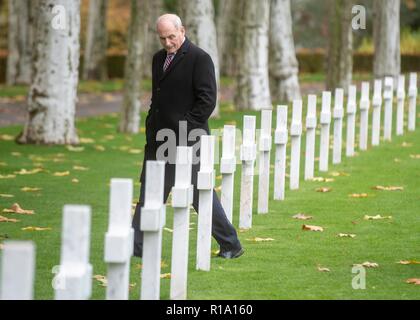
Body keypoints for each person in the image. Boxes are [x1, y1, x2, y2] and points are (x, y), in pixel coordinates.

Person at [131, 14, 243, 259]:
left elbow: (207, 101)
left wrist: (184, 129)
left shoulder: (200, 58)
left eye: (172, 36)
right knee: (150, 191)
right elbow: (157, 97)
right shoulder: (158, 59)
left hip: (187, 140)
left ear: (182, 30)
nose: (168, 43)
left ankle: (231, 244)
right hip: (159, 139)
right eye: (163, 38)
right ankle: (136, 246)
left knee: (198, 194)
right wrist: (151, 124)